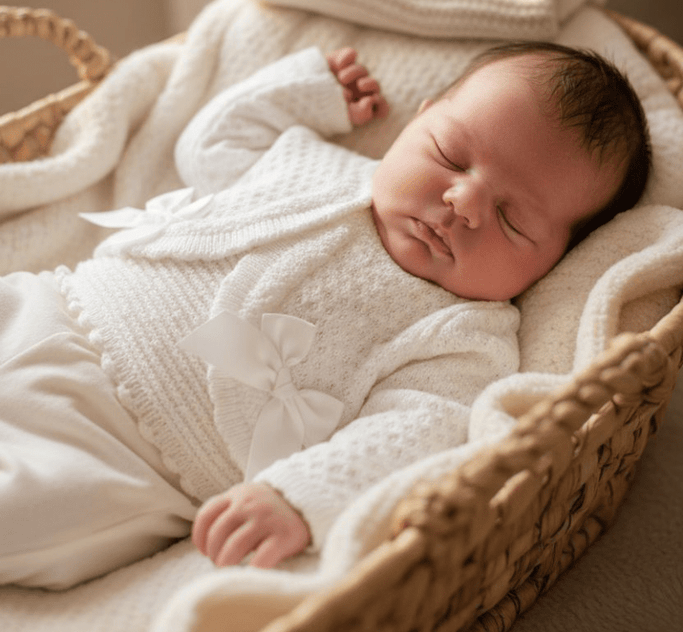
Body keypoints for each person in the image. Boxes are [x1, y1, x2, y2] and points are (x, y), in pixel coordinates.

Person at [0, 40, 650, 588]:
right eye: (449, 156)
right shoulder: (313, 162)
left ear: (556, 262)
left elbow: (412, 435)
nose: (462, 200)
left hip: (130, 462)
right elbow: (213, 142)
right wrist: (309, 90)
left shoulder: (466, 339)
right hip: (56, 307)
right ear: (412, 123)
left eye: (511, 219)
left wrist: (300, 495)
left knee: (27, 517)